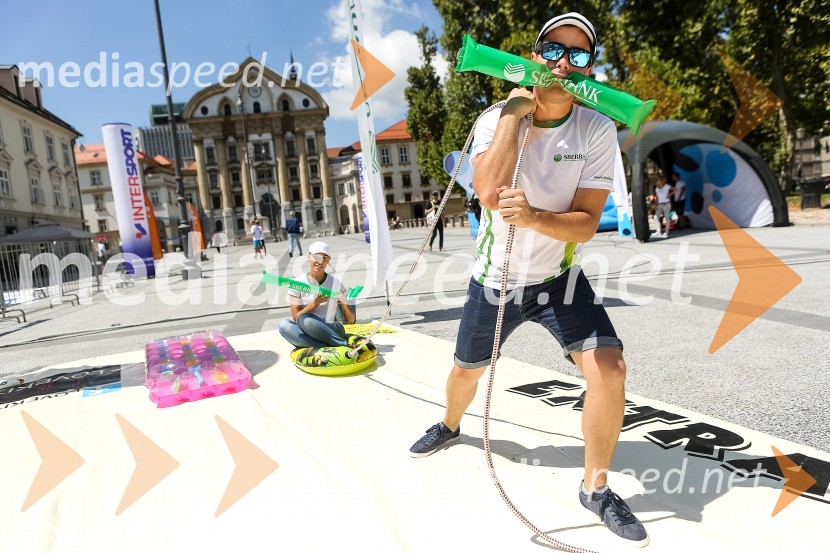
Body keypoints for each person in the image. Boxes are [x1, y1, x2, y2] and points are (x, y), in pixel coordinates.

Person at [408, 12, 648, 546]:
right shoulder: (496, 118)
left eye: (579, 55)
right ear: (534, 55)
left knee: (610, 371)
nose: (564, 62)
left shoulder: (597, 129)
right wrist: (518, 110)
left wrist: (538, 217)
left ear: (589, 68)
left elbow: (585, 224)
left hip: (559, 278)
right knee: (466, 374)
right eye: (553, 49)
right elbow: (489, 193)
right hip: (494, 280)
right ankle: (449, 425)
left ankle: (596, 488)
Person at [277, 242, 362, 357]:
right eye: (316, 257)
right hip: (307, 327)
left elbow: (351, 320)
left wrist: (344, 303)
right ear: (308, 258)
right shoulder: (297, 284)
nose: (319, 262)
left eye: (324, 258)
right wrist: (314, 304)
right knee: (285, 325)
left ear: (328, 260)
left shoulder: (335, 283)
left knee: (306, 320)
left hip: (332, 329)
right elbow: (296, 317)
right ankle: (327, 346)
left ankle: (338, 343)